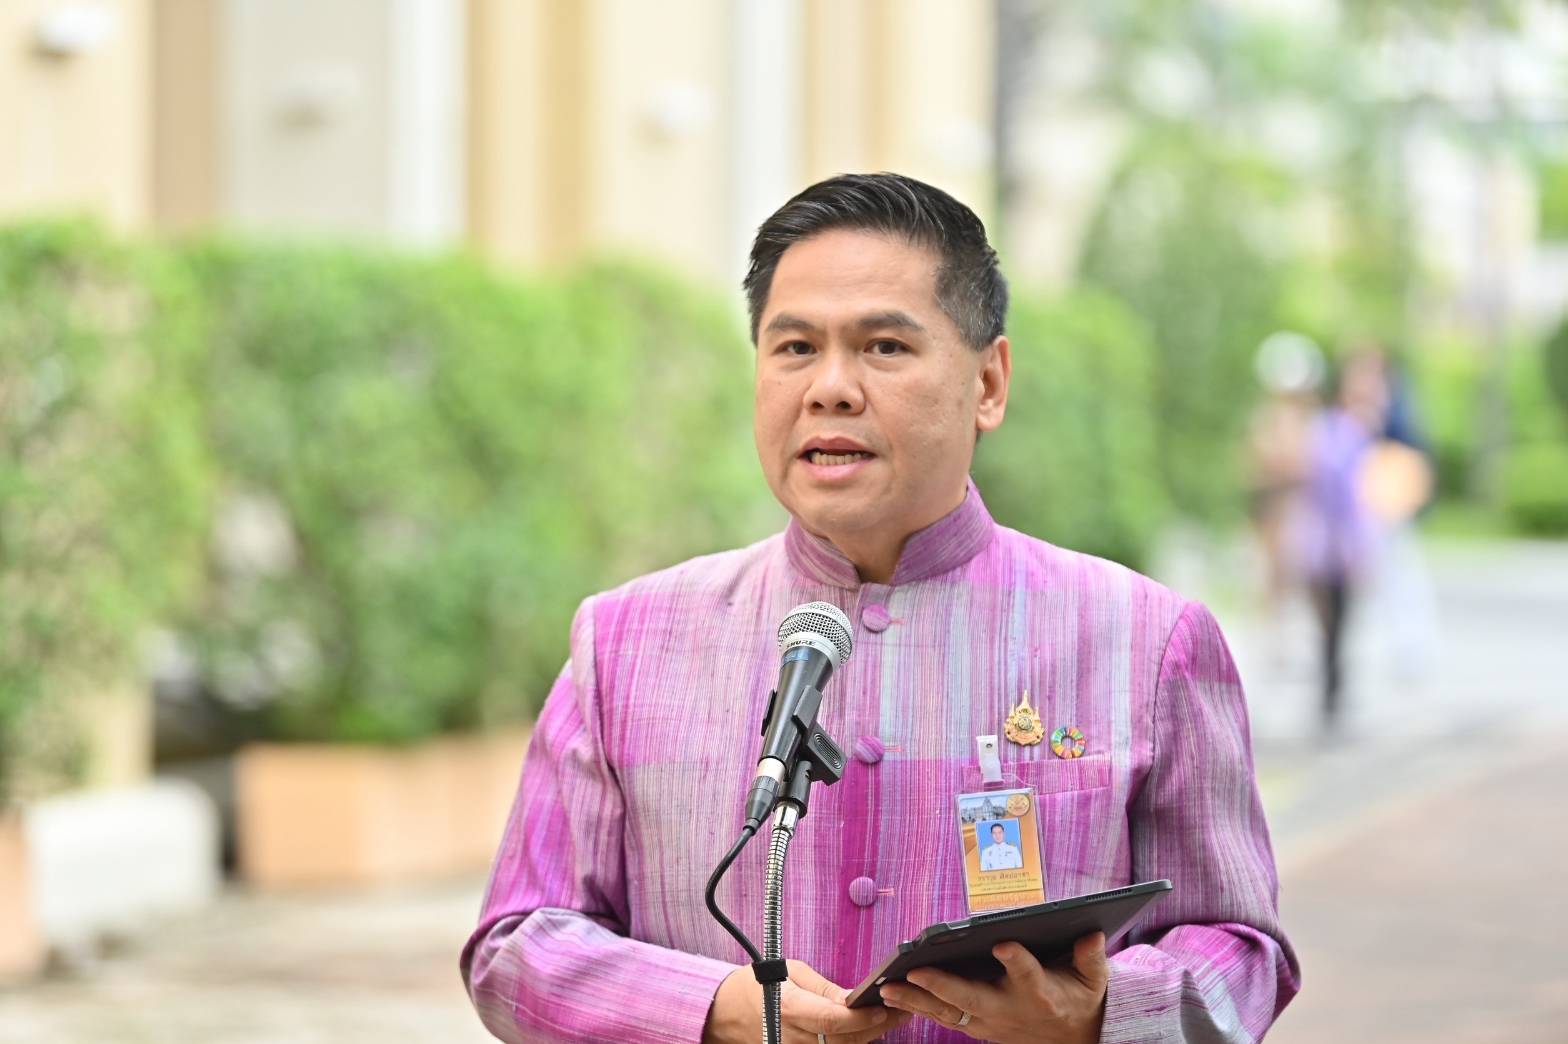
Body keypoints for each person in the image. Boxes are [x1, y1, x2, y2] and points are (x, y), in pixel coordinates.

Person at [461, 173, 1299, 1043]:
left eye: (884, 347)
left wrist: (1100, 1015)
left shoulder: (1146, 642)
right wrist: (709, 1010)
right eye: (794, 348)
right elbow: (516, 944)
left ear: (988, 383)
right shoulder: (624, 643)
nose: (830, 388)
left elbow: (1242, 948)